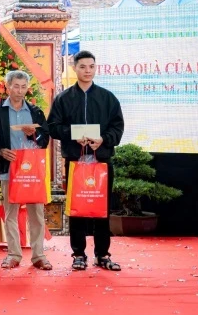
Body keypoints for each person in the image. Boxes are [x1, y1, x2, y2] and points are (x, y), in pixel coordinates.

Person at [48, 50, 124, 272]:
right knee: (77, 209)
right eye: (83, 67)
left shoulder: (108, 98)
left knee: (102, 210)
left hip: (101, 162)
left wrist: (104, 140)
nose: (87, 71)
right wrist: (73, 134)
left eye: (91, 66)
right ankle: (78, 254)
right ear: (74, 68)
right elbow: (53, 127)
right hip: (75, 162)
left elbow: (117, 127)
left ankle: (102, 254)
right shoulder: (63, 99)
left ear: (95, 68)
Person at [0, 70, 52, 270]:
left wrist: (34, 135)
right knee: (10, 213)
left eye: (23, 86)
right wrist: (0, 151)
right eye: (15, 86)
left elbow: (45, 140)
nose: (19, 90)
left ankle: (39, 255)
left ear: (27, 88)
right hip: (10, 169)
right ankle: (13, 254)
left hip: (31, 171)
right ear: (7, 87)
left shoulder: (35, 112)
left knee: (37, 214)